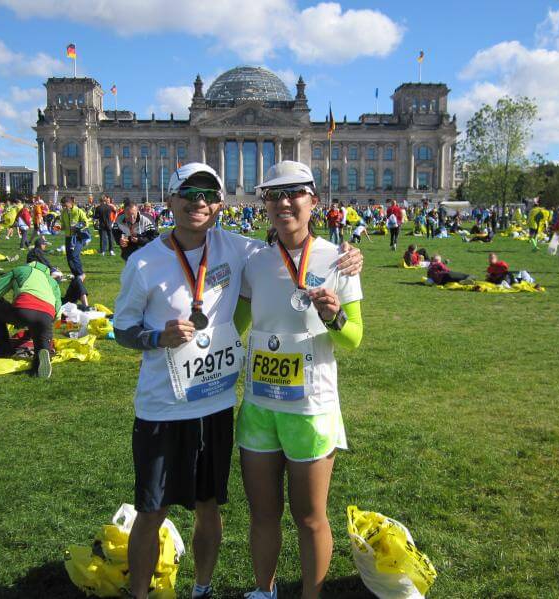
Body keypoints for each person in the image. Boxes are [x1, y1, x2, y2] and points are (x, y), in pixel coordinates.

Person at [113, 162, 363, 599]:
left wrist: (340, 293)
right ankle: (239, 591)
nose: (198, 203)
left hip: (268, 405)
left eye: (295, 194)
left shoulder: (296, 255)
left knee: (269, 513)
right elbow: (225, 321)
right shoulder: (173, 261)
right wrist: (166, 336)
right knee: (196, 512)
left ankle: (254, 592)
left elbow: (350, 331)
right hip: (214, 406)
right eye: (274, 195)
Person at [235, 161, 363, 599]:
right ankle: (263, 590)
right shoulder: (253, 260)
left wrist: (334, 315)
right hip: (258, 406)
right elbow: (235, 322)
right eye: (273, 195)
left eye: (294, 193)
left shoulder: (339, 259)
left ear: (314, 201)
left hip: (310, 408)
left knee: (310, 517)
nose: (284, 202)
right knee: (262, 514)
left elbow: (354, 339)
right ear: (264, 204)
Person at [0, 256, 61, 378]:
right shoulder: (52, 281)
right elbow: (58, 309)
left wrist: (4, 304)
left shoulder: (20, 270)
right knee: (41, 340)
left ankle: (5, 351)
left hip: (24, 308)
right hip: (47, 314)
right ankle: (40, 358)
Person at [60, 196, 91, 280]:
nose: (64, 208)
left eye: (66, 206)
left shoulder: (78, 211)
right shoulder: (63, 213)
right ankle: (76, 274)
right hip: (68, 237)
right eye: (63, 206)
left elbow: (86, 223)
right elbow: (63, 225)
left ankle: (81, 274)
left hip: (78, 237)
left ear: (71, 203)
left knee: (74, 255)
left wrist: (77, 227)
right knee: (69, 258)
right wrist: (60, 227)